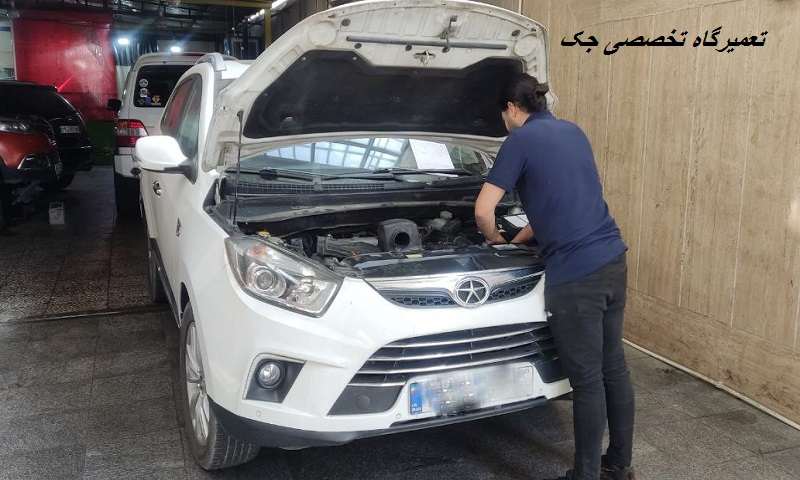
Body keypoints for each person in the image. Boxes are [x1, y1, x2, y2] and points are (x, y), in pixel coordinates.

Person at [474, 73, 636, 480]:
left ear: (512, 109)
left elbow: (483, 209)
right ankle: (618, 465)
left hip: (576, 275)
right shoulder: (573, 131)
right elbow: (567, 199)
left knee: (587, 380)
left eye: (503, 115)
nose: (504, 122)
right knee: (613, 367)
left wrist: (495, 239)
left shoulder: (519, 141)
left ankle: (585, 475)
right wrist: (522, 237)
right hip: (612, 259)